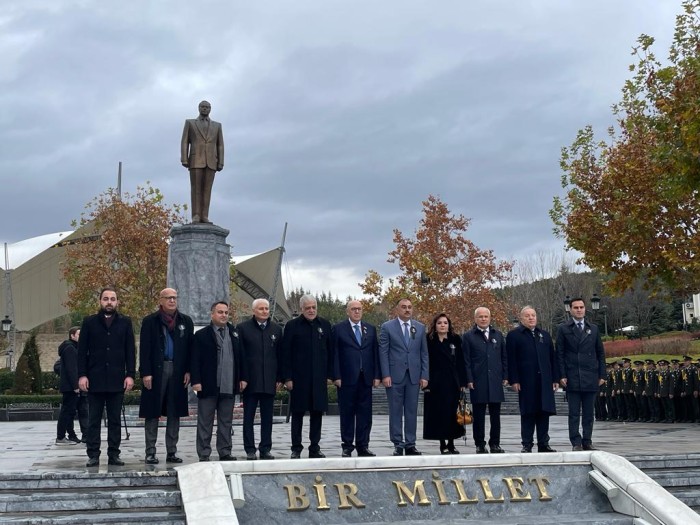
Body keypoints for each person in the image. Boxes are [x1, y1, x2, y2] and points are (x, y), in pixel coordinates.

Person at [78, 287, 136, 467]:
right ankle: (93, 454)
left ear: (117, 302)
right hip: (94, 379)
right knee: (93, 420)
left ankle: (114, 454)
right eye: (106, 298)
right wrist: (82, 375)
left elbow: (130, 351)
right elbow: (81, 352)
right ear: (100, 301)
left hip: (117, 379)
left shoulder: (125, 323)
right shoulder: (89, 322)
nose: (109, 302)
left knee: (115, 420)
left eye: (112, 299)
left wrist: (130, 375)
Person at [139, 288, 194, 465]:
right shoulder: (150, 321)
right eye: (168, 298)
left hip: (177, 371)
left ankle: (171, 451)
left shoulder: (185, 321)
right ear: (161, 300)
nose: (172, 300)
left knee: (174, 412)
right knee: (153, 412)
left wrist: (188, 370)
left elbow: (189, 349)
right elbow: (145, 349)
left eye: (174, 298)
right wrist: (145, 373)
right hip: (156, 371)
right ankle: (150, 451)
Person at [191, 301, 248, 461]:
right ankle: (203, 453)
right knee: (205, 422)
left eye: (226, 312)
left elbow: (241, 358)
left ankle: (225, 451)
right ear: (212, 314)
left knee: (226, 422)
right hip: (208, 385)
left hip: (229, 385)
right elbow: (195, 360)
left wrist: (243, 378)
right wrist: (196, 381)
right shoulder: (201, 335)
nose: (223, 315)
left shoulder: (234, 333)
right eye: (220, 312)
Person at [281, 294, 334, 459]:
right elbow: (286, 353)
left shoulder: (324, 325)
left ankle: (315, 447)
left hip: (318, 379)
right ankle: (296, 448)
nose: (311, 310)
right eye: (307, 308)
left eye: (313, 307)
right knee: (297, 414)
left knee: (317, 413)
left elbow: (330, 352)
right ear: (302, 309)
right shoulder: (292, 326)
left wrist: (330, 375)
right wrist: (287, 378)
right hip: (299, 380)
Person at [378, 298, 429, 456]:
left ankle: (410, 443)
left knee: (412, 411)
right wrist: (385, 374)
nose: (407, 310)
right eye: (404, 307)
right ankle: (398, 444)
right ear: (397, 309)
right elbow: (383, 352)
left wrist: (424, 375)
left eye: (409, 307)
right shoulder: (387, 327)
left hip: (414, 376)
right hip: (394, 376)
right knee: (395, 410)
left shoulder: (419, 328)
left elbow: (424, 353)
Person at [555, 297, 606, 451]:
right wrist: (562, 375)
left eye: (581, 307)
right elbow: (560, 354)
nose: (579, 310)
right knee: (574, 413)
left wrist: (602, 375)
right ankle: (576, 442)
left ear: (585, 309)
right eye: (576, 307)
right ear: (570, 310)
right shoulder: (563, 328)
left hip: (590, 376)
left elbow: (600, 353)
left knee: (589, 413)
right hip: (572, 376)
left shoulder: (594, 328)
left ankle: (587, 440)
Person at [332, 300, 380, 457]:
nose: (357, 312)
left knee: (365, 414)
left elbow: (375, 353)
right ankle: (347, 446)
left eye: (359, 309)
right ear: (348, 311)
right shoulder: (339, 329)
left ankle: (363, 445)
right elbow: (335, 354)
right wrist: (336, 375)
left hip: (365, 378)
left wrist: (377, 375)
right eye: (353, 309)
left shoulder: (370, 329)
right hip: (346, 379)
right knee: (347, 413)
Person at [506, 306, 558, 453]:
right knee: (528, 412)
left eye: (533, 315)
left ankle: (543, 443)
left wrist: (555, 378)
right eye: (527, 316)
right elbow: (511, 360)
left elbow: (552, 359)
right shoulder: (514, 335)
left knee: (544, 412)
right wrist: (514, 380)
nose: (531, 318)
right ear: (522, 318)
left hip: (545, 381)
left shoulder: (545, 335)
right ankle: (527, 444)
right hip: (526, 380)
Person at [237, 298, 283, 460]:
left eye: (266, 308)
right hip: (250, 381)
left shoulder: (276, 329)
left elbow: (280, 356)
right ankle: (250, 449)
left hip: (269, 380)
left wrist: (280, 378)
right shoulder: (243, 328)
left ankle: (265, 448)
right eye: (261, 309)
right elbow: (240, 355)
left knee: (267, 418)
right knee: (248, 417)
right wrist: (242, 377)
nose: (264, 311)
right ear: (253, 311)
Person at [462, 307, 508, 454]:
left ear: (490, 318)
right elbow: (466, 360)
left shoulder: (498, 335)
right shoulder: (468, 336)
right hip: (478, 381)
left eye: (486, 316)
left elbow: (504, 358)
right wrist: (468, 378)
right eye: (480, 316)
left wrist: (505, 376)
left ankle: (495, 443)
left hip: (495, 380)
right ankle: (479, 444)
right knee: (479, 415)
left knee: (496, 416)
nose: (483, 319)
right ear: (475, 319)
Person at [422, 313, 466, 454]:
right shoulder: (429, 340)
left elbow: (460, 361)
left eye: (445, 323)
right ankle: (442, 443)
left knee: (452, 413)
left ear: (449, 325)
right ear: (435, 325)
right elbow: (425, 360)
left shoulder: (455, 340)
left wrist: (462, 381)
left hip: (452, 381)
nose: (442, 325)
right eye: (439, 323)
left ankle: (451, 442)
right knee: (439, 413)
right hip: (435, 382)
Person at [180, 100, 224, 224]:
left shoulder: (217, 126)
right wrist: (184, 158)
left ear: (210, 109)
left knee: (207, 190)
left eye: (207, 107)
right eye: (202, 107)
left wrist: (220, 161)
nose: (205, 109)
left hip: (211, 161)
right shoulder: (190, 123)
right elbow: (184, 141)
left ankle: (204, 216)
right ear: (199, 108)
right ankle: (196, 215)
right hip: (195, 160)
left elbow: (220, 145)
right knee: (196, 189)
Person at [56, 327, 87, 445]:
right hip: (71, 387)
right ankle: (60, 437)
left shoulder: (73, 348)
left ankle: (68, 435)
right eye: (79, 334)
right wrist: (76, 386)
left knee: (69, 412)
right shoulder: (70, 348)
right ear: (72, 336)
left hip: (71, 386)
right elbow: (71, 369)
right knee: (66, 412)